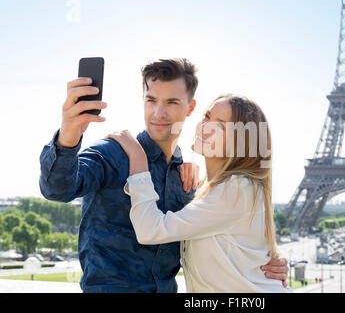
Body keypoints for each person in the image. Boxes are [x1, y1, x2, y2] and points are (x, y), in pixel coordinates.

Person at [39, 58, 289, 292]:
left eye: (171, 102)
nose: (159, 113)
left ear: (189, 108)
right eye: (151, 100)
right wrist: (69, 135)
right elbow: (57, 189)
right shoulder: (114, 153)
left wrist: (266, 260)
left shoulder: (192, 182)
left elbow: (227, 238)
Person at [108, 93, 293, 292]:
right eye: (207, 116)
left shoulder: (237, 189)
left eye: (220, 126)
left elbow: (150, 230)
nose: (205, 127)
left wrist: (138, 159)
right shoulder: (227, 188)